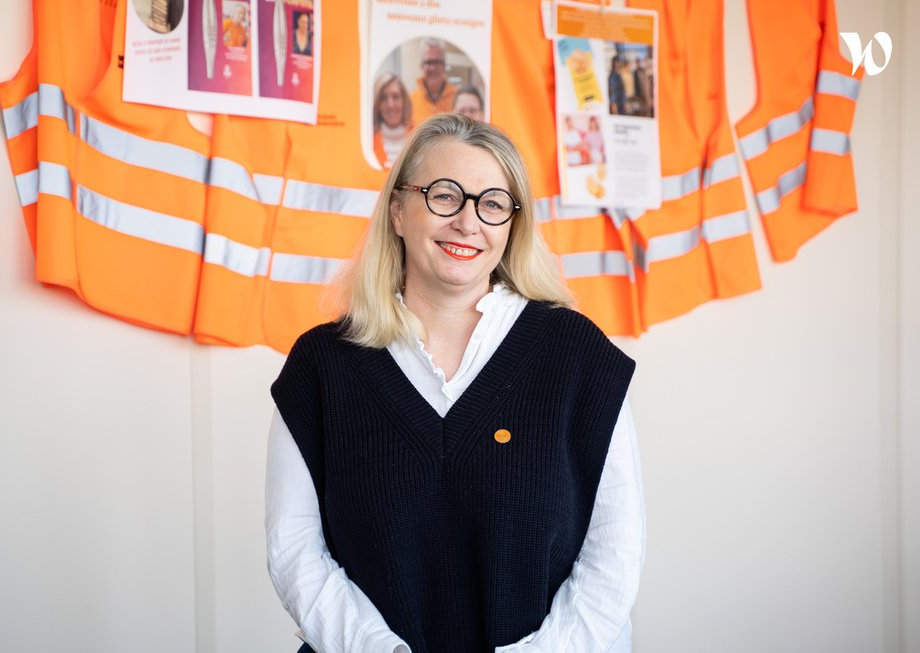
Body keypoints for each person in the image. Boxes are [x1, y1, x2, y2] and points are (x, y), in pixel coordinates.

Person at [266, 113, 644, 653]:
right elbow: (294, 548)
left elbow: (616, 549)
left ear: (513, 224)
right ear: (397, 210)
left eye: (492, 203)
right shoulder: (322, 366)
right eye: (445, 195)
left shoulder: (578, 357)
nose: (468, 222)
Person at [410, 37, 459, 124]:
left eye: (437, 62)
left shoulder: (458, 97)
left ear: (444, 66)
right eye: (428, 62)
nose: (433, 68)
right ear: (421, 66)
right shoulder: (411, 101)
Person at [372, 73, 413, 169]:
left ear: (404, 100)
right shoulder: (368, 142)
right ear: (377, 104)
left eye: (395, 97)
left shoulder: (418, 136)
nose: (390, 104)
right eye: (383, 98)